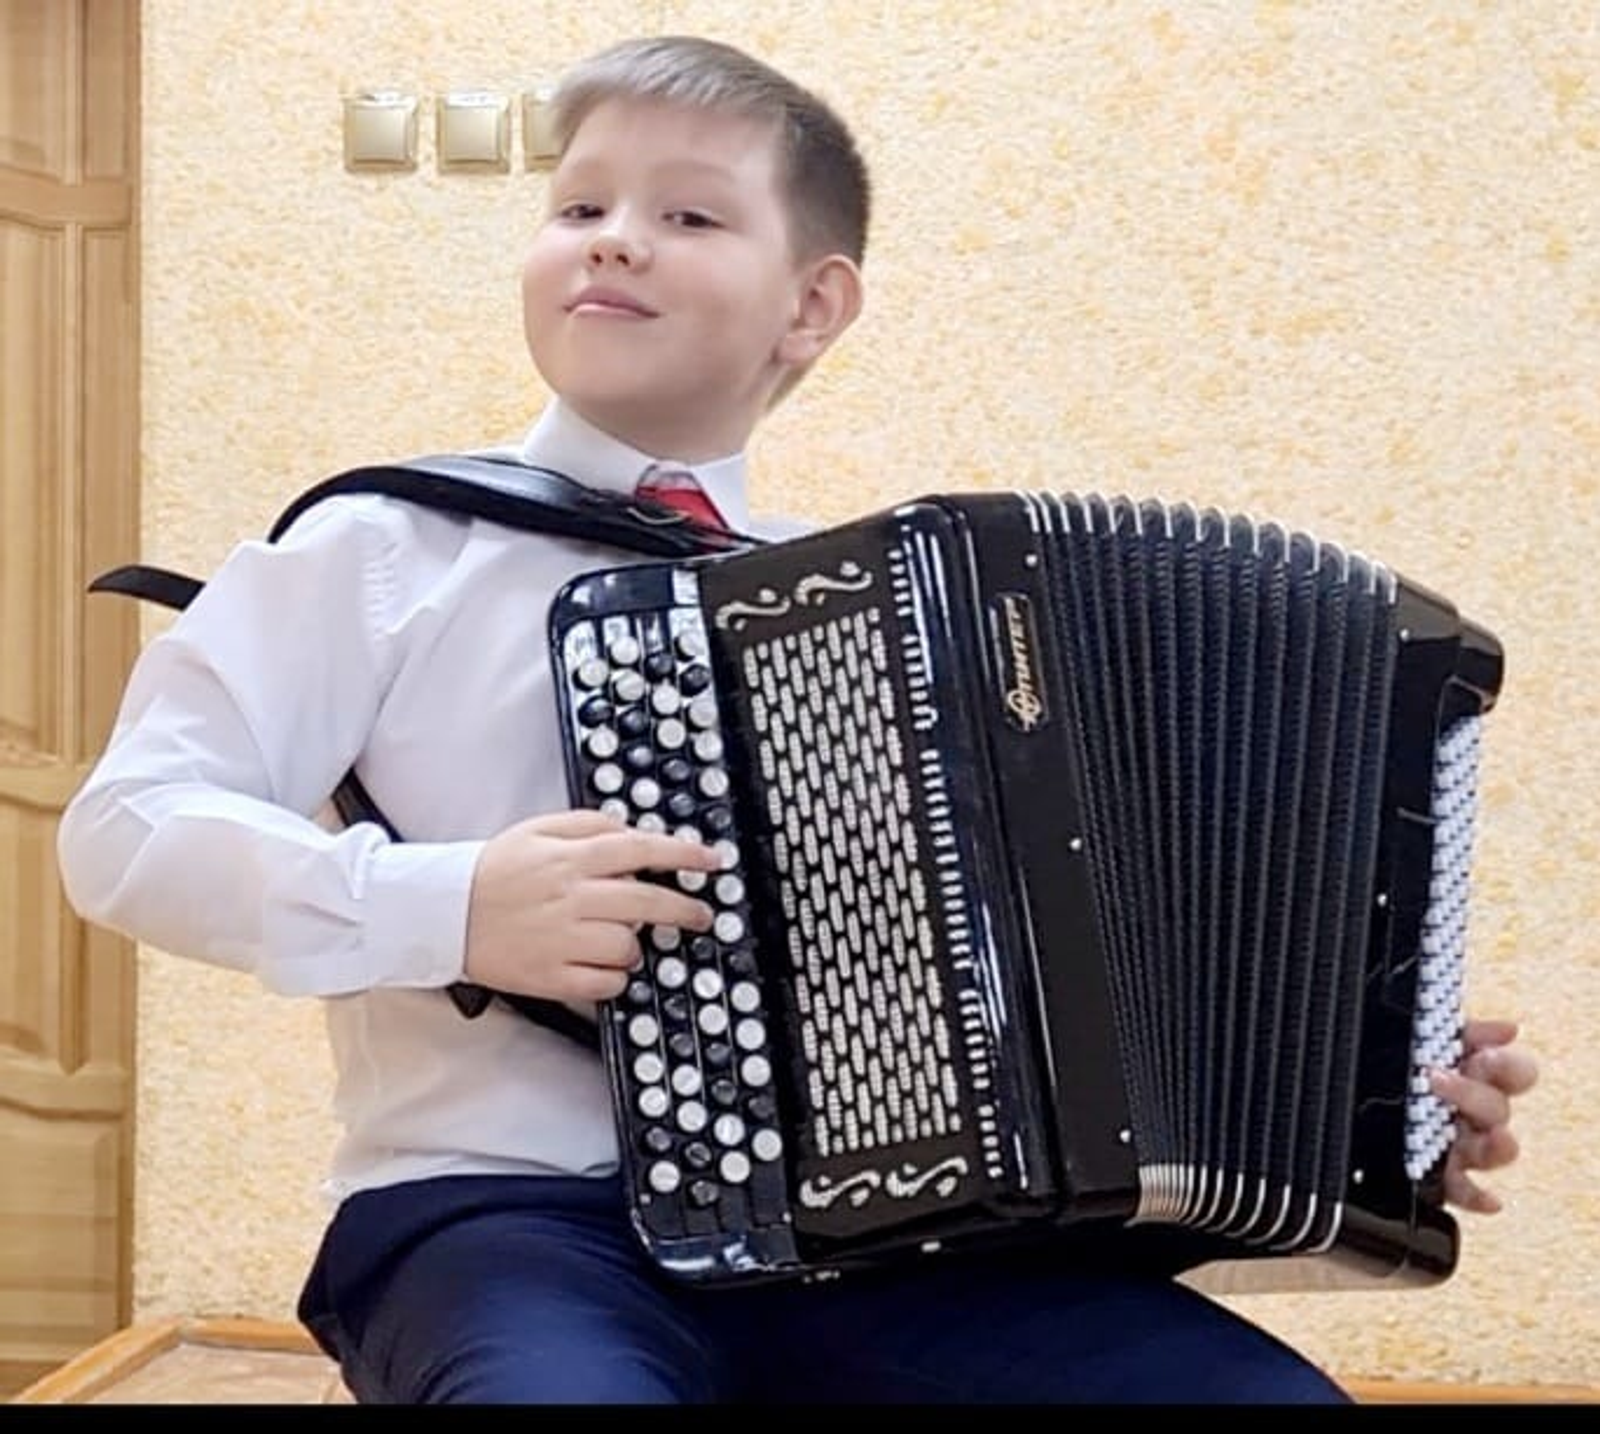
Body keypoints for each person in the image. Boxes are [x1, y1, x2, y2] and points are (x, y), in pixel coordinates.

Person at [56, 33, 1538, 1404]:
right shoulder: (382, 547)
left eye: (690, 214)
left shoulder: (887, 627)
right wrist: (447, 904)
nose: (615, 237)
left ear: (813, 304)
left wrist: (1368, 1088)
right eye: (578, 206)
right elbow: (126, 830)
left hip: (885, 1246)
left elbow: (1053, 1001)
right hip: (506, 1214)